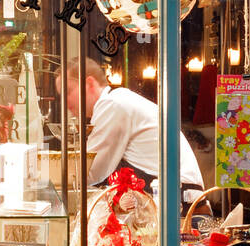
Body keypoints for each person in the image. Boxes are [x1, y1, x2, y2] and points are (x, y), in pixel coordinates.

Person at [60, 57, 205, 203]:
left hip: (177, 200)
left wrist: (48, 174)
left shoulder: (112, 105)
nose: (64, 101)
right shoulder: (118, 99)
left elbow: (89, 170)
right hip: (177, 194)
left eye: (68, 91)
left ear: (89, 83)